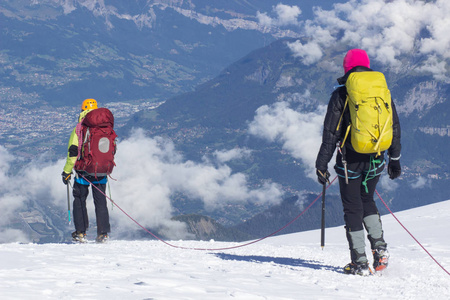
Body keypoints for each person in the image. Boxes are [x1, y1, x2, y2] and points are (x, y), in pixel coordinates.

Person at [315, 49, 402, 275]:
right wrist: (395, 159)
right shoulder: (381, 92)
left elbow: (330, 135)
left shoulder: (341, 95)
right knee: (368, 200)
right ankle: (380, 251)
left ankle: (360, 262)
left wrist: (321, 165)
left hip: (349, 162)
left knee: (353, 208)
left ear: (347, 69)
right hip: (376, 159)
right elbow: (393, 127)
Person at [62, 98, 111, 243]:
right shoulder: (105, 127)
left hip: (83, 171)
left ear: (83, 110)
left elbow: (73, 152)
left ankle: (80, 233)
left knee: (79, 199)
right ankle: (103, 234)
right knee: (101, 201)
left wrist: (66, 172)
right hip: (101, 170)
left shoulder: (80, 128)